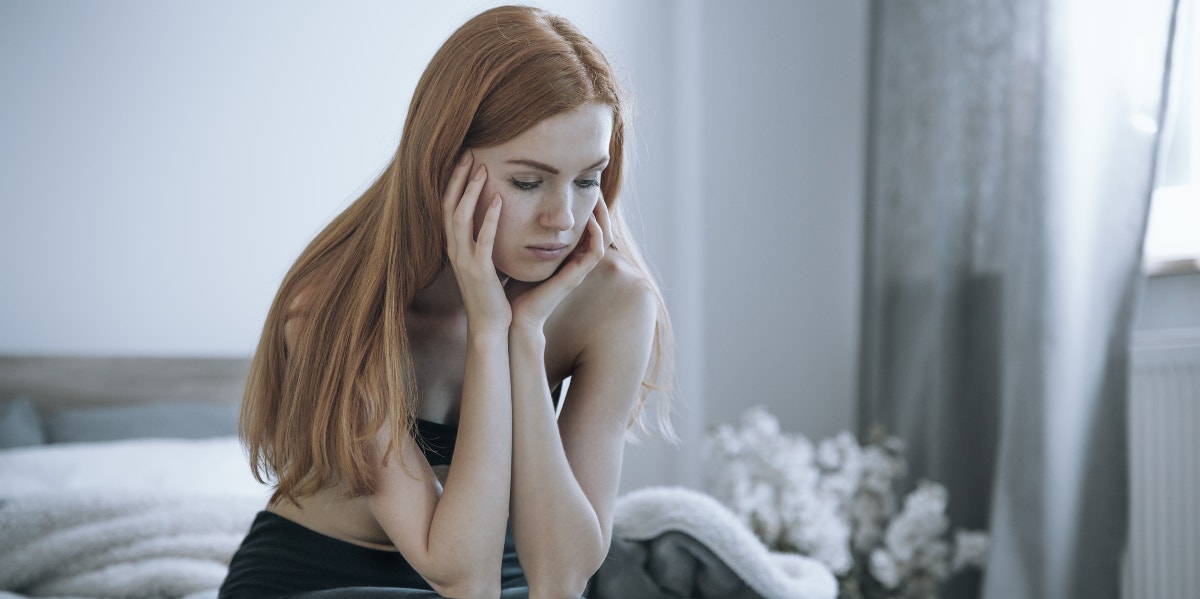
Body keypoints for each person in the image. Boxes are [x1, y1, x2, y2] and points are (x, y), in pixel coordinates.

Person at [219, 5, 673, 599]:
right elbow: (461, 576)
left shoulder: (613, 302)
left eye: (587, 180)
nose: (562, 219)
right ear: (443, 162)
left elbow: (562, 579)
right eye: (528, 182)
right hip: (322, 575)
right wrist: (489, 331)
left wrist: (525, 335)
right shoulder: (334, 307)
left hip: (507, 575)